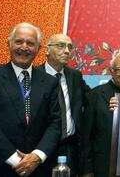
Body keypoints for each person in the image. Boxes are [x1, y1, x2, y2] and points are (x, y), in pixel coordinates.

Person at [0, 22, 61, 176]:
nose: (24, 47)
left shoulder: (50, 82)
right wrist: (15, 159)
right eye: (18, 41)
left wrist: (37, 156)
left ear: (38, 49)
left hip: (37, 168)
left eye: (30, 43)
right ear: (9, 44)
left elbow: (55, 123)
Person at [36, 34, 90, 177]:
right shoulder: (34, 75)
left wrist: (118, 97)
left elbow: (92, 98)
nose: (67, 51)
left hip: (69, 148)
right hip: (40, 147)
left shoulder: (75, 76)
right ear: (47, 50)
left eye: (70, 47)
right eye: (61, 46)